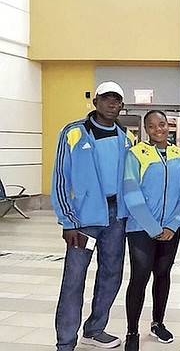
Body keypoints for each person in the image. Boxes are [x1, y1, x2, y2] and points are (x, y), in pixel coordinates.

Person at [51, 81, 134, 351]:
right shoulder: (73, 133)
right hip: (83, 222)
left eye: (117, 100)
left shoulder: (126, 137)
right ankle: (65, 341)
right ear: (96, 101)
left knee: (112, 275)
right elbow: (60, 179)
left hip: (115, 218)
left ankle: (95, 329)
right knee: (74, 280)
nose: (112, 104)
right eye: (107, 99)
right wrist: (69, 221)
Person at [122, 110, 180, 351]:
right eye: (152, 126)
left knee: (163, 275)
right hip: (141, 228)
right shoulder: (135, 154)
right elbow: (131, 193)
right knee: (139, 279)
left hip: (170, 229)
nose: (158, 129)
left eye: (162, 124)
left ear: (169, 126)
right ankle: (132, 332)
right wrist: (152, 228)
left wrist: (173, 223)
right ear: (146, 129)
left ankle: (158, 322)